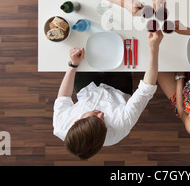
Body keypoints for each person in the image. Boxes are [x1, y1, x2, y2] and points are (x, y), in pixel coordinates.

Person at [52, 31, 163, 160]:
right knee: (119, 44)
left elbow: (63, 98)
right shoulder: (121, 125)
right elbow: (146, 89)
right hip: (118, 89)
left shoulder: (61, 126)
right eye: (103, 121)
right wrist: (154, 49)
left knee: (86, 42)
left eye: (95, 116)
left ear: (76, 121)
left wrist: (73, 65)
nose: (102, 114)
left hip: (87, 89)